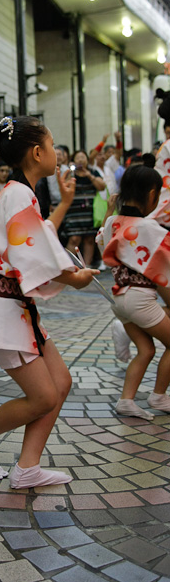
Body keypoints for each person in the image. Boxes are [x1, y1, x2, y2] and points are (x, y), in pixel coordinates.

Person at [0, 116, 98, 488]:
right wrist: (74, 279)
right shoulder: (20, 194)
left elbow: (35, 239)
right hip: (3, 307)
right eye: (53, 145)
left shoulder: (18, 193)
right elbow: (33, 254)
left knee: (61, 382)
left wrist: (66, 202)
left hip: (12, 307)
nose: (57, 153)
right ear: (37, 153)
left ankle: (27, 467)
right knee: (42, 396)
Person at [97, 166, 170, 419]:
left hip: (118, 299)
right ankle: (159, 396)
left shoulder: (111, 223)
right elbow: (165, 275)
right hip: (140, 298)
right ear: (152, 194)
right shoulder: (150, 229)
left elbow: (101, 245)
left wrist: (109, 211)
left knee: (147, 349)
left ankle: (126, 400)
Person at [63, 149, 106, 265]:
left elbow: (102, 186)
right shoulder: (70, 173)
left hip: (90, 211)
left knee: (89, 239)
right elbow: (64, 186)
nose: (81, 160)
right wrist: (70, 172)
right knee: (74, 238)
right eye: (78, 158)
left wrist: (89, 175)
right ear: (73, 160)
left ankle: (86, 266)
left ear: (87, 160)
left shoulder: (92, 172)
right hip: (74, 211)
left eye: (83, 157)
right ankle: (67, 265)